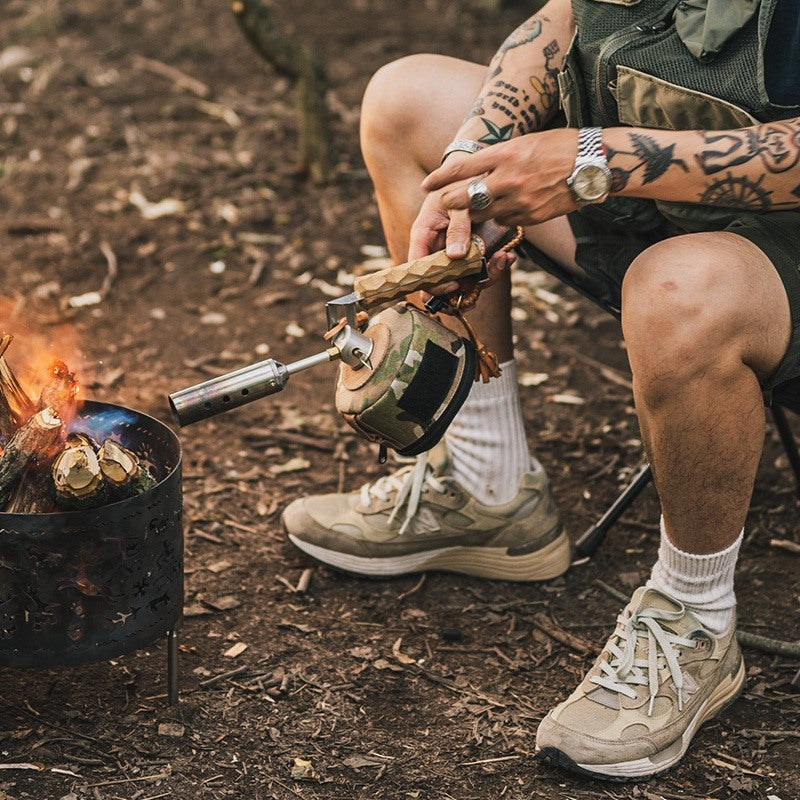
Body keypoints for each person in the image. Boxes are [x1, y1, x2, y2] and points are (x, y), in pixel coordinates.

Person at [282, 0, 800, 779]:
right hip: (644, 204)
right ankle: (488, 484)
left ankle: (696, 615)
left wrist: (594, 157)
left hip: (769, 256)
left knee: (679, 294)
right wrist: (476, 162)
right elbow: (565, 16)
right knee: (408, 102)